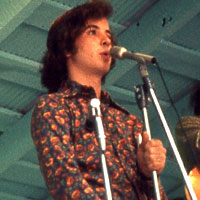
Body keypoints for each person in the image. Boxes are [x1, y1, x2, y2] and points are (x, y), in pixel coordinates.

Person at [31, 0, 167, 199]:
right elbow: (65, 183)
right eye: (92, 32)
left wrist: (148, 174)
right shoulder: (53, 107)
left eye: (108, 34)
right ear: (67, 47)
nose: (106, 40)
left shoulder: (129, 122)